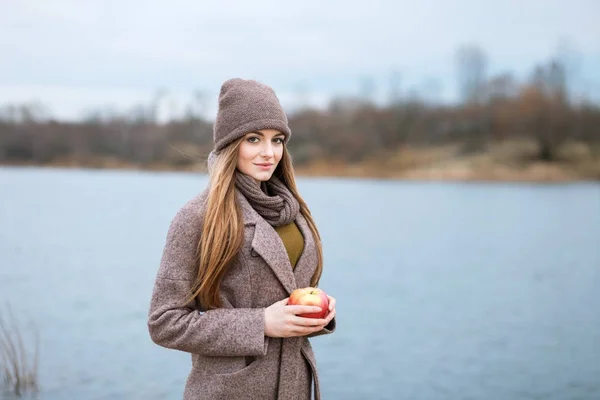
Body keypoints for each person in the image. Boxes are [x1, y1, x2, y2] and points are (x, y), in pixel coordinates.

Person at [148, 78, 337, 400]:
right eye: (254, 139)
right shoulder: (198, 216)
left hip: (295, 387)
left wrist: (316, 314)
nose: (268, 152)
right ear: (230, 144)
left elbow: (284, 296)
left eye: (277, 140)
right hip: (231, 391)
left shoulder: (292, 210)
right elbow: (164, 322)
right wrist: (260, 323)